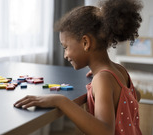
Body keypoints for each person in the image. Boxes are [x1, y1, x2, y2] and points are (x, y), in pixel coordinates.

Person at [14, 0, 143, 134]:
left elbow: (104, 132)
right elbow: (135, 96)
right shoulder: (119, 70)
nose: (65, 55)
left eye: (66, 47)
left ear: (86, 42)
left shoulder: (102, 79)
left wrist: (61, 101)